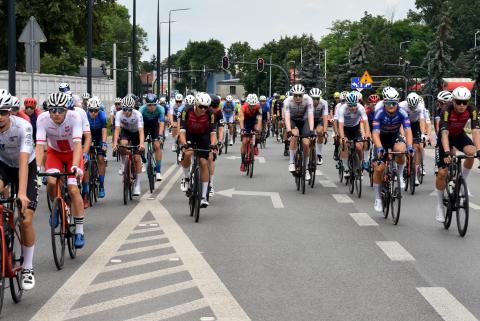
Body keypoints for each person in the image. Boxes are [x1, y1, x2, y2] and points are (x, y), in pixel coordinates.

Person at [36, 92, 86, 248]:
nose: (56, 114)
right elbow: (39, 145)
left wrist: (76, 165)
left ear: (67, 110)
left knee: (73, 189)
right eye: (52, 110)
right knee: (50, 182)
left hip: (73, 154)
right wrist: (37, 167)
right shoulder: (42, 119)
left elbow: (78, 144)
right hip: (55, 153)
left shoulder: (75, 117)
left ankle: (79, 230)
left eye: (60, 110)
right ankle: (56, 207)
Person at [0, 90, 38, 290]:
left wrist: (21, 194)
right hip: (4, 167)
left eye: (3, 112)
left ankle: (28, 267)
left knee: (25, 219)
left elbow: (23, 161)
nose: (0, 117)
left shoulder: (24, 126)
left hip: (27, 167)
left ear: (10, 113)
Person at [434, 86, 480, 223]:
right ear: (453, 101)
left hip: (459, 135)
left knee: (471, 152)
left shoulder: (472, 110)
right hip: (445, 138)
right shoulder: (446, 110)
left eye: (464, 102)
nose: (461, 105)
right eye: (458, 102)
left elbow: (476, 131)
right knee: (442, 172)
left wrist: (478, 150)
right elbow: (444, 133)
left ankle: (462, 182)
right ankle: (440, 206)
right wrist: (447, 151)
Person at [371, 87, 414, 212]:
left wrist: (410, 146)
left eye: (394, 103)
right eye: (389, 103)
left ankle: (399, 175)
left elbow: (408, 131)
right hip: (381, 139)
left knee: (401, 150)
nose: (391, 106)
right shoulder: (379, 113)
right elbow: (375, 134)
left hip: (394, 136)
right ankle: (378, 198)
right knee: (379, 168)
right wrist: (379, 147)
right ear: (384, 103)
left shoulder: (402, 112)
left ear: (397, 103)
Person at [178, 93, 217, 207]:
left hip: (203, 136)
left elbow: (213, 133)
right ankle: (185, 178)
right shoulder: (187, 111)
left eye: (206, 107)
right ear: (196, 104)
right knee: (188, 153)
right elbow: (182, 132)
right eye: (201, 106)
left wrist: (213, 145)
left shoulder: (211, 114)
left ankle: (204, 197)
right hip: (189, 134)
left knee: (204, 163)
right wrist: (184, 144)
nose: (203, 109)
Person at [112, 96, 145, 196]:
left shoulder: (138, 114)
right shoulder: (118, 114)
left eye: (129, 109)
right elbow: (117, 130)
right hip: (126, 132)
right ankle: (123, 164)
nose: (126, 112)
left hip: (136, 133)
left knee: (137, 158)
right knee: (122, 146)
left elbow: (141, 132)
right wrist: (114, 144)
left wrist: (142, 144)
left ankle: (137, 185)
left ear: (133, 108)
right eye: (124, 109)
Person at [284, 84, 315, 180]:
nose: (297, 97)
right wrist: (289, 130)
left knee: (306, 143)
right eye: (295, 95)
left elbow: (310, 116)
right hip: (293, 121)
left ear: (303, 95)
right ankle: (291, 163)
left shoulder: (308, 100)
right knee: (294, 135)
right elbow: (287, 117)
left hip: (304, 120)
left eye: (300, 95)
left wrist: (311, 130)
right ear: (292, 95)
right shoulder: (287, 101)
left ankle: (305, 170)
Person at [337, 92, 370, 177]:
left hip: (356, 128)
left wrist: (367, 136)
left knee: (359, 147)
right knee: (344, 144)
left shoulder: (361, 108)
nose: (352, 107)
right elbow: (340, 125)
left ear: (357, 103)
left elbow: (366, 123)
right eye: (350, 105)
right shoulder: (342, 109)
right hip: (345, 128)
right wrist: (343, 138)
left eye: (354, 105)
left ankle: (360, 166)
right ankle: (346, 169)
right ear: (347, 104)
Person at [399, 92, 427, 186]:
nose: (413, 109)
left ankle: (415, 174)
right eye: (411, 107)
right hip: (403, 124)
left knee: (418, 147)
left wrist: (423, 134)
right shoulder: (402, 106)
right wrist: (403, 136)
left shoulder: (420, 106)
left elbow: (422, 120)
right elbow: (400, 123)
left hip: (414, 124)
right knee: (401, 146)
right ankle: (400, 167)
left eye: (414, 107)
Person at [139, 93, 166, 181]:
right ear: (146, 104)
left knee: (157, 146)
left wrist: (161, 135)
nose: (151, 107)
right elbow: (139, 126)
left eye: (153, 105)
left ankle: (158, 171)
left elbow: (161, 124)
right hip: (144, 126)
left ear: (156, 104)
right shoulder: (141, 110)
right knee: (140, 144)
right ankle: (143, 160)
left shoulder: (160, 109)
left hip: (155, 126)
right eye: (149, 105)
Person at [86, 98, 108, 198]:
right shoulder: (85, 116)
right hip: (88, 134)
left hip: (99, 134)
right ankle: (85, 184)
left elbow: (104, 130)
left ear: (99, 110)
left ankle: (102, 185)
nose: (94, 113)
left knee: (100, 158)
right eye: (91, 110)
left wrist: (103, 143)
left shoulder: (102, 116)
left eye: (96, 110)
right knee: (85, 158)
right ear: (88, 110)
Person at [239, 94, 262, 172]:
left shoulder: (258, 107)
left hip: (254, 121)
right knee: (245, 141)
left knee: (259, 130)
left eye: (254, 105)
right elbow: (241, 119)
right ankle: (242, 162)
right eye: (250, 105)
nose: (252, 107)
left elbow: (259, 119)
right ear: (248, 103)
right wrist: (242, 129)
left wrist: (258, 129)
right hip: (246, 122)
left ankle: (255, 146)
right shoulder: (243, 107)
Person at [309, 88, 328, 165]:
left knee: (320, 132)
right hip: (309, 119)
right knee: (308, 136)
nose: (315, 101)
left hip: (319, 120)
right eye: (313, 99)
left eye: (317, 98)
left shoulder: (324, 103)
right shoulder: (307, 102)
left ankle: (319, 155)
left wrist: (325, 131)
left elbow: (325, 118)